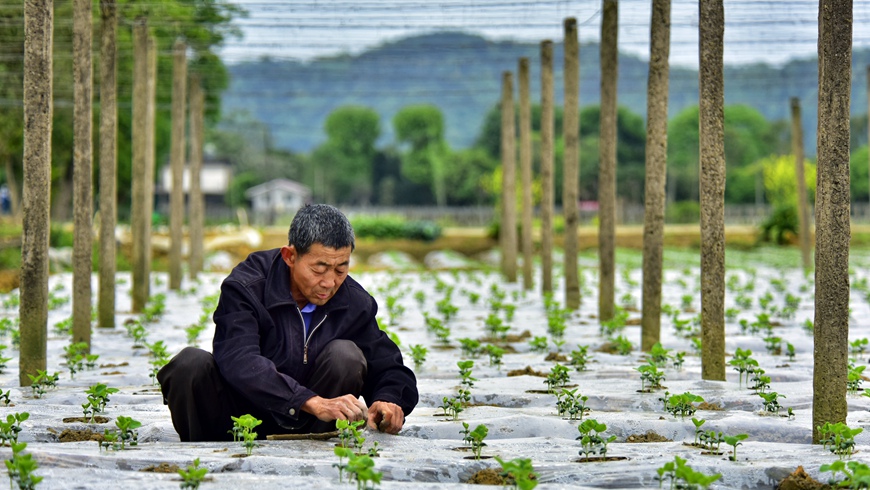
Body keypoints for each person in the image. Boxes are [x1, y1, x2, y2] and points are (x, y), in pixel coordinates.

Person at [158, 204, 418, 441]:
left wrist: (389, 399)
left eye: (341, 269)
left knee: (346, 356)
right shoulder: (247, 286)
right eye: (319, 268)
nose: (330, 282)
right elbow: (239, 359)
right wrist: (308, 400)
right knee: (189, 365)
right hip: (235, 420)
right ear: (290, 256)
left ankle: (317, 454)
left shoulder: (353, 301)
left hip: (311, 428)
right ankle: (207, 459)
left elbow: (388, 366)